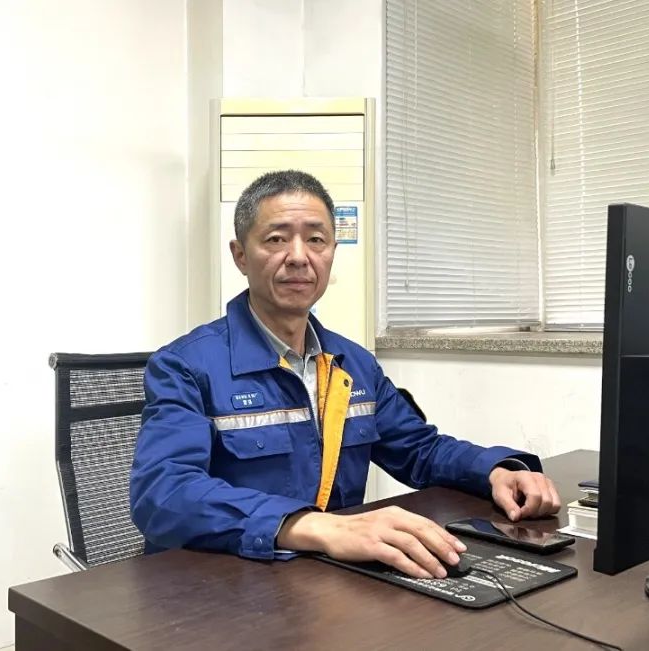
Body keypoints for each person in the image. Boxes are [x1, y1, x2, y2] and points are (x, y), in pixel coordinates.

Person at [129, 170, 561, 580]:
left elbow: (419, 450)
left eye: (316, 240)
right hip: (222, 586)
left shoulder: (352, 363)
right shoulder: (186, 366)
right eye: (276, 239)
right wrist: (316, 528)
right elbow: (163, 493)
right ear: (240, 255)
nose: (299, 257)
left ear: (332, 252)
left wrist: (495, 472)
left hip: (325, 580)